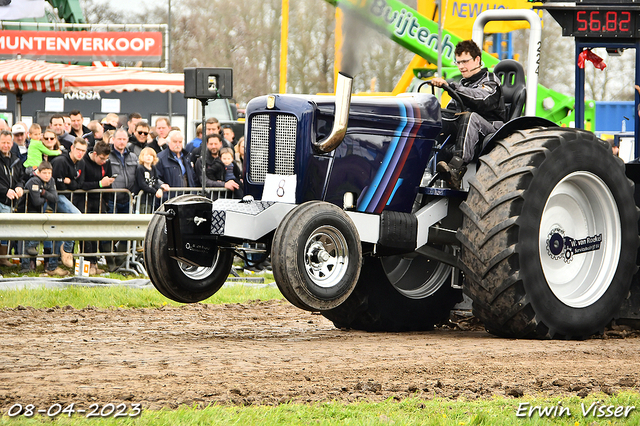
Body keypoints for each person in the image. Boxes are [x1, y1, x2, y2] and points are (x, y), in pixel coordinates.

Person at [429, 39, 506, 189]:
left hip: (492, 130)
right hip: (467, 132)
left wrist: (449, 87)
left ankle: (457, 168)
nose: (461, 67)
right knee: (439, 117)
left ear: (477, 59)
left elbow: (480, 99)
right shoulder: (463, 84)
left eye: (465, 61)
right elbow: (452, 113)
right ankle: (426, 164)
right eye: (458, 62)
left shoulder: (491, 80)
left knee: (470, 117)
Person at [20, 161, 68, 275]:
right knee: (28, 240)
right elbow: (36, 202)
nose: (47, 175)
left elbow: (55, 198)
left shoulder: (51, 181)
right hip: (27, 211)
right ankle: (26, 266)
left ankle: (43, 264)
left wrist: (43, 192)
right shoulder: (33, 181)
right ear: (39, 172)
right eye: (45, 173)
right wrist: (46, 196)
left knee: (41, 237)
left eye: (49, 173)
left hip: (41, 213)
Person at [51, 137, 87, 268]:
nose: (80, 153)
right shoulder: (61, 161)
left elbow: (79, 183)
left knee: (61, 229)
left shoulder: (81, 163)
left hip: (69, 198)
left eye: (83, 150)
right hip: (55, 197)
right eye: (78, 149)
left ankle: (54, 265)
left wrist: (70, 182)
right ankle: (67, 250)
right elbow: (58, 184)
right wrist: (71, 183)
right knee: (76, 216)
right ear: (72, 148)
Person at [81, 141, 115, 275]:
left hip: (100, 201)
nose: (104, 161)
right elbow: (82, 184)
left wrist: (107, 201)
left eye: (106, 159)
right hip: (86, 202)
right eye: (102, 158)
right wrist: (100, 184)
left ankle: (94, 263)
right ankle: (87, 263)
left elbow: (109, 183)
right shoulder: (84, 162)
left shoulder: (107, 163)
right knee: (87, 234)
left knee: (96, 233)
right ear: (95, 154)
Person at [0, 129, 24, 269]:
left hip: (9, 201)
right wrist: (5, 191)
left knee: (5, 231)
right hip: (2, 198)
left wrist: (19, 187)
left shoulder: (15, 159)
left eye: (8, 143)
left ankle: (3, 258)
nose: (6, 145)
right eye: (3, 142)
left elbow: (20, 178)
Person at [156, 130, 196, 195]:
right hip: (170, 198)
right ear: (168, 142)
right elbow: (156, 177)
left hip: (187, 197)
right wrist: (162, 186)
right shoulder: (160, 158)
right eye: (175, 142)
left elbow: (193, 178)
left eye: (180, 142)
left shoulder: (187, 157)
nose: (178, 144)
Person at [108, 128, 138, 214]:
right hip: (112, 199)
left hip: (128, 199)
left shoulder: (133, 157)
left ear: (127, 140)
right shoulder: (107, 156)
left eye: (124, 139)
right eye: (119, 139)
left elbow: (140, 173)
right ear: (113, 139)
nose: (122, 142)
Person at [135, 147, 169, 213]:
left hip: (151, 198)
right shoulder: (140, 168)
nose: (149, 157)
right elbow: (142, 184)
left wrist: (160, 188)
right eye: (146, 155)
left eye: (151, 155)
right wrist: (155, 191)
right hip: (143, 199)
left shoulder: (153, 168)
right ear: (142, 157)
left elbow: (156, 180)